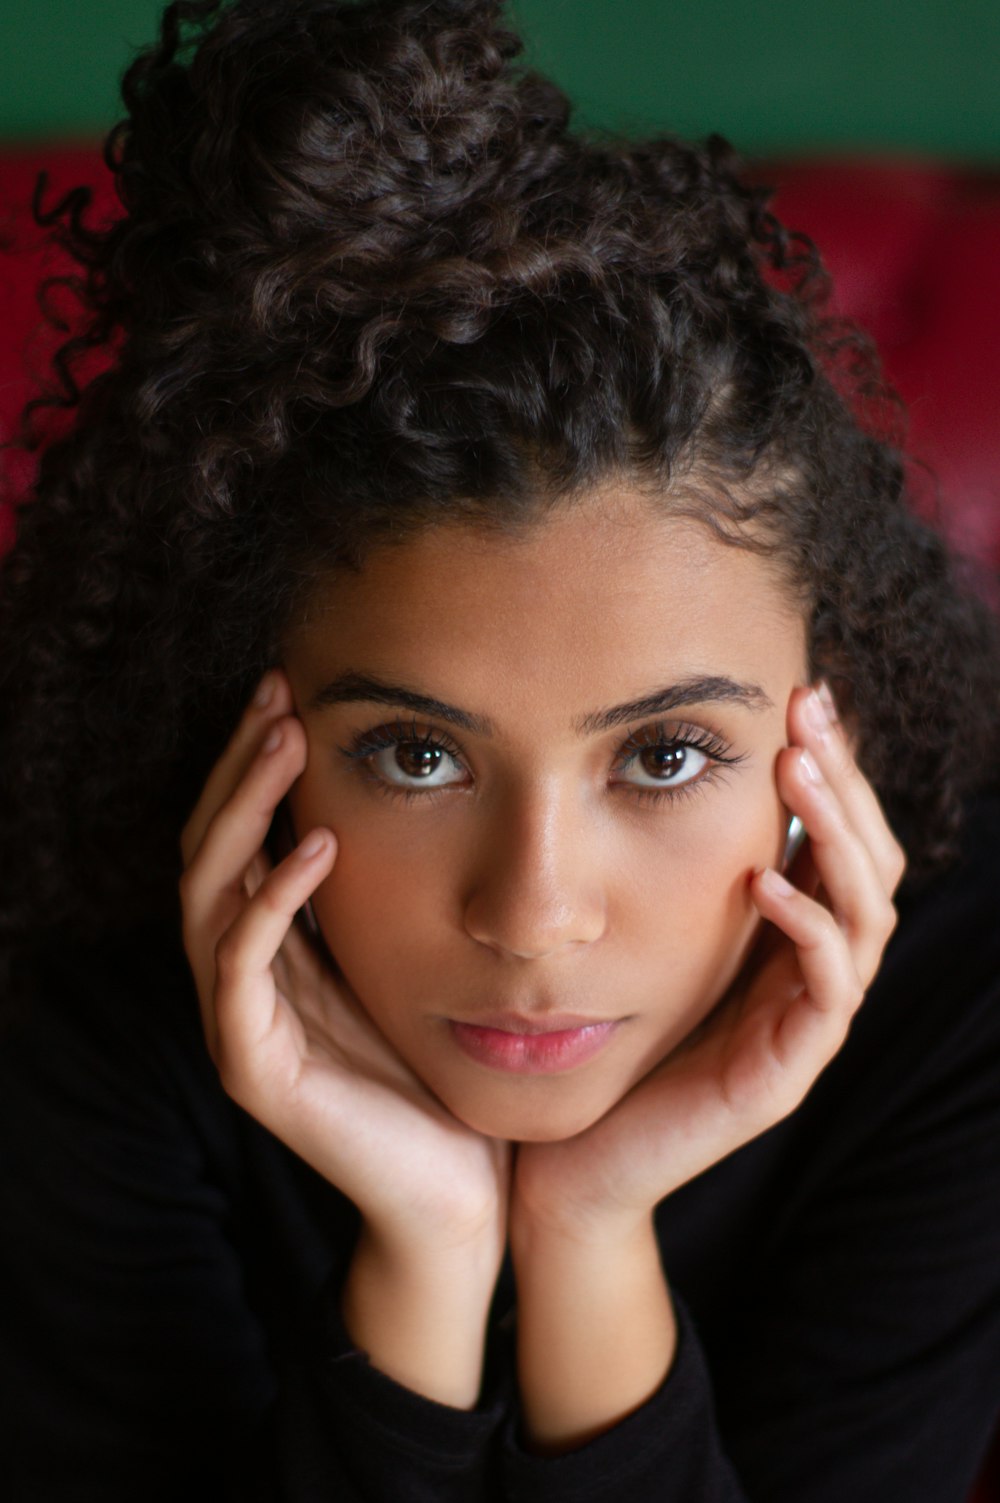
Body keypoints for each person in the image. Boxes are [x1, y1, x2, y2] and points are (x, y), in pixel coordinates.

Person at [1, 1, 999, 1498]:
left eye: (666, 756)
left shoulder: (966, 1012)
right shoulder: (84, 990)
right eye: (415, 755)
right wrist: (432, 1251)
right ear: (258, 728)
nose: (533, 912)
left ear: (822, 740)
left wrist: (590, 1233)